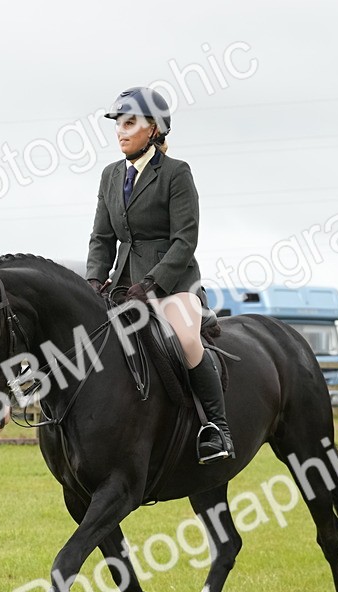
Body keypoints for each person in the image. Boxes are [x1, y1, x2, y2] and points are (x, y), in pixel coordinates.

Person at [85, 86, 233, 464]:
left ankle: (217, 428)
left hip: (173, 285)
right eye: (119, 123)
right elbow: (102, 238)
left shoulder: (176, 173)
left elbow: (185, 240)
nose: (120, 131)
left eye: (129, 123)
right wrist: (93, 280)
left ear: (153, 129)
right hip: (123, 284)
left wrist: (152, 283)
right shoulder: (110, 175)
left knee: (186, 338)